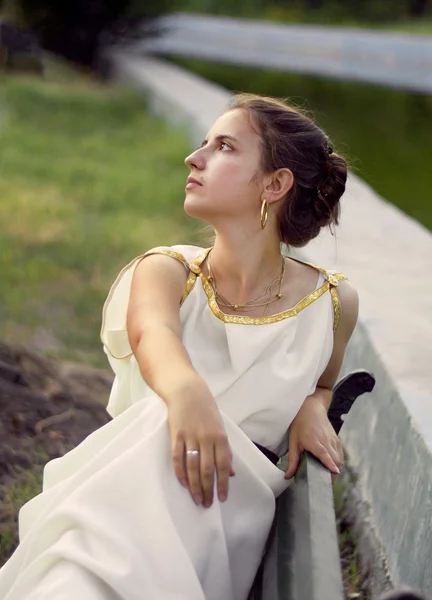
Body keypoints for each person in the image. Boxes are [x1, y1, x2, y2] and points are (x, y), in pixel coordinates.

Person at [0, 93, 359, 600]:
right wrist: (187, 394)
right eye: (203, 143)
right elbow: (154, 335)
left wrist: (313, 408)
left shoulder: (333, 302)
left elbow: (322, 382)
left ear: (276, 184)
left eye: (225, 147)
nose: (195, 158)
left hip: (221, 513)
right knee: (154, 425)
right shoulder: (168, 270)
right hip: (131, 490)